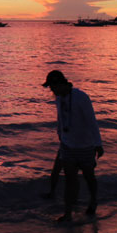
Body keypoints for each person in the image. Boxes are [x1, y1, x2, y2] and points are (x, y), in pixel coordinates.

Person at [42, 70, 104, 222]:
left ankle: (93, 201)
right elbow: (61, 118)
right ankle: (68, 213)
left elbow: (92, 121)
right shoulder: (58, 98)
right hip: (68, 145)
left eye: (52, 87)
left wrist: (98, 144)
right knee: (69, 179)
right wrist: (60, 135)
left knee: (89, 177)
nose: (52, 91)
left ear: (60, 84)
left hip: (85, 146)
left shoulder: (81, 97)